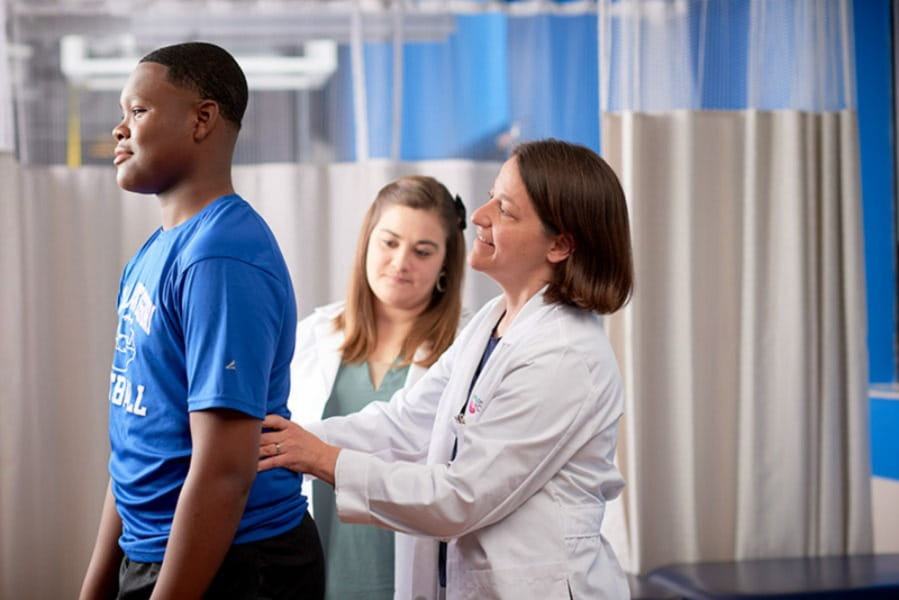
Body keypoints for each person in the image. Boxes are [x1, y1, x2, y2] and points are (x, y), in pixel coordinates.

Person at [259, 138, 634, 599]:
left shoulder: (563, 356)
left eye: (506, 210)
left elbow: (461, 498)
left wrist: (319, 457)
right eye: (491, 196)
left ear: (559, 245)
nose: (479, 215)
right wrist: (288, 442)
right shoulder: (493, 323)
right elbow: (404, 424)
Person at [79, 42, 324, 600]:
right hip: (157, 553)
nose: (120, 129)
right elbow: (137, 444)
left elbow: (224, 472)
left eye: (138, 111)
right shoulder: (154, 253)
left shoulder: (222, 255)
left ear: (202, 119)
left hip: (238, 561)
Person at [284, 174, 467, 599]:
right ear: (367, 242)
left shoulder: (466, 350)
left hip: (414, 572)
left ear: (445, 264)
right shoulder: (311, 338)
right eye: (389, 242)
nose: (402, 262)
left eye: (423, 251)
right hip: (321, 570)